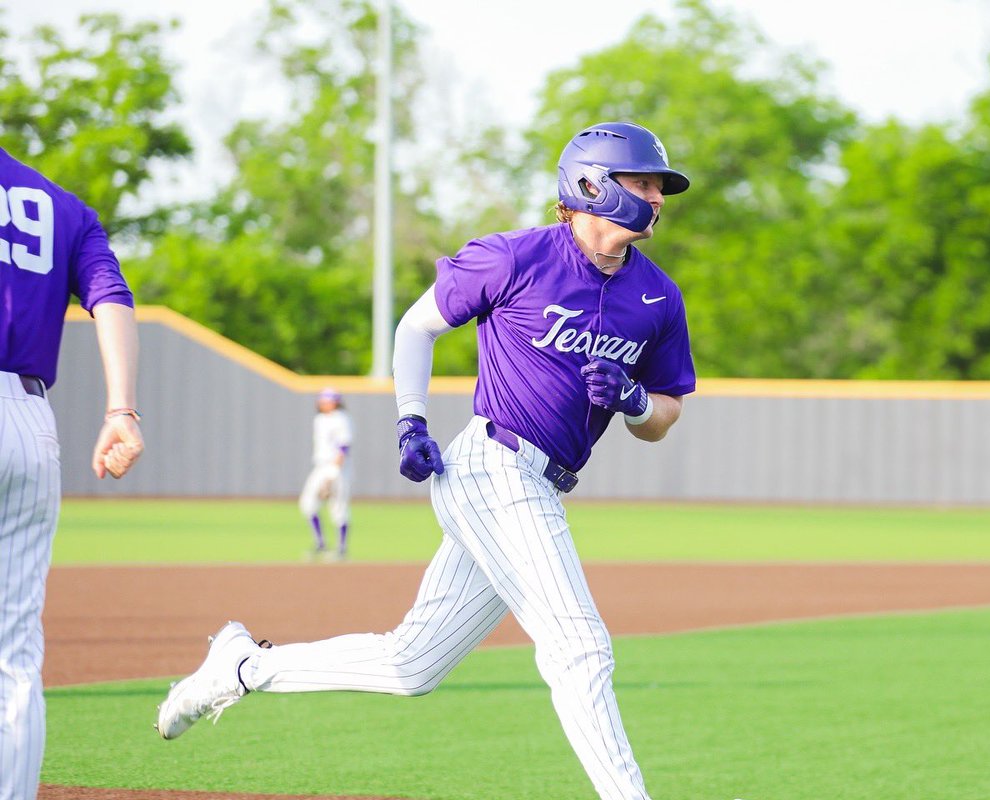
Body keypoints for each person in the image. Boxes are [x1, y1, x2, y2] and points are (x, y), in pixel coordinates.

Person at [155, 121, 695, 800]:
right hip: (492, 465)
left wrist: (636, 401)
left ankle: (240, 668)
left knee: (413, 663)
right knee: (580, 646)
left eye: (659, 186)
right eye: (641, 182)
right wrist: (410, 421)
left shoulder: (657, 296)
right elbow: (417, 326)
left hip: (542, 485)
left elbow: (667, 414)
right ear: (591, 183)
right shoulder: (516, 258)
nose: (657, 196)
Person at [0, 147, 144, 800]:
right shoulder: (62, 206)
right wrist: (121, 409)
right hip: (28, 421)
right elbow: (111, 297)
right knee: (12, 653)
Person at [297, 387, 352, 560]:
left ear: (335, 402)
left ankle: (341, 549)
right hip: (320, 466)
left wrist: (333, 473)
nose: (322, 403)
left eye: (326, 400)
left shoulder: (342, 419)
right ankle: (320, 544)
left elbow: (343, 447)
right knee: (307, 504)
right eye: (322, 400)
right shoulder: (319, 419)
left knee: (338, 508)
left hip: (337, 467)